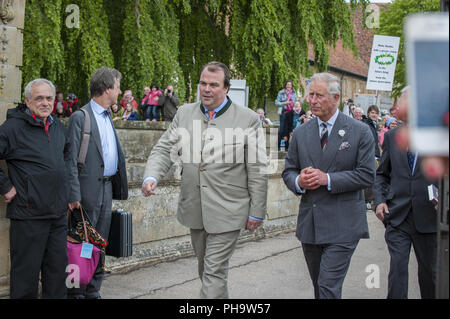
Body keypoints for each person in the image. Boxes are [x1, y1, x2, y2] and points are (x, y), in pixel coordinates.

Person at [141, 61, 268, 299]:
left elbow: (258, 169)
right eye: (202, 83)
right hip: (195, 208)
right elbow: (163, 149)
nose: (206, 89)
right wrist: (152, 176)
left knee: (213, 272)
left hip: (229, 210)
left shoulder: (248, 119)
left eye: (214, 85)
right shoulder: (184, 113)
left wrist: (257, 211)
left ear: (227, 88)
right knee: (207, 271)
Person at [282, 72, 375, 299]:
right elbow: (289, 171)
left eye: (318, 95)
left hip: (344, 224)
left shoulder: (359, 131)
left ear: (336, 98)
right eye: (310, 94)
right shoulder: (302, 132)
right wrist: (299, 181)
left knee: (327, 286)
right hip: (311, 224)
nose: (312, 100)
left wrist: (328, 179)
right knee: (319, 287)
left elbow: (366, 176)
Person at [0, 79, 69, 299]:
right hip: (28, 215)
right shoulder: (12, 128)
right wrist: (5, 186)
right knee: (25, 280)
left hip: (57, 215)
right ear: (28, 101)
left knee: (57, 276)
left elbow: (66, 161)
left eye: (49, 98)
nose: (45, 103)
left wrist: (69, 195)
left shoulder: (59, 127)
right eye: (39, 98)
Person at [66, 67, 129, 299]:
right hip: (85, 192)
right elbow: (70, 160)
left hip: (106, 188)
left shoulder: (107, 116)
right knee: (80, 245)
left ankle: (93, 290)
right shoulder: (80, 117)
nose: (120, 91)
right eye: (118, 86)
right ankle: (75, 292)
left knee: (99, 242)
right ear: (107, 89)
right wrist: (73, 195)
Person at [373, 88, 438, 299]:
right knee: (398, 271)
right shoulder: (392, 136)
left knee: (430, 274)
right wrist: (379, 201)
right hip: (398, 215)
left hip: (429, 217)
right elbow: (381, 174)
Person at [275, 80, 297, 151]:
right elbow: (277, 102)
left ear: (292, 86)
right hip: (284, 112)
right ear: (285, 85)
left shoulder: (294, 93)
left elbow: (296, 102)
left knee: (288, 130)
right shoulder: (281, 92)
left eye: (290, 85)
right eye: (287, 84)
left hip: (291, 113)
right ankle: (277, 146)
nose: (289, 86)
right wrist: (285, 103)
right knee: (281, 130)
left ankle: (287, 148)